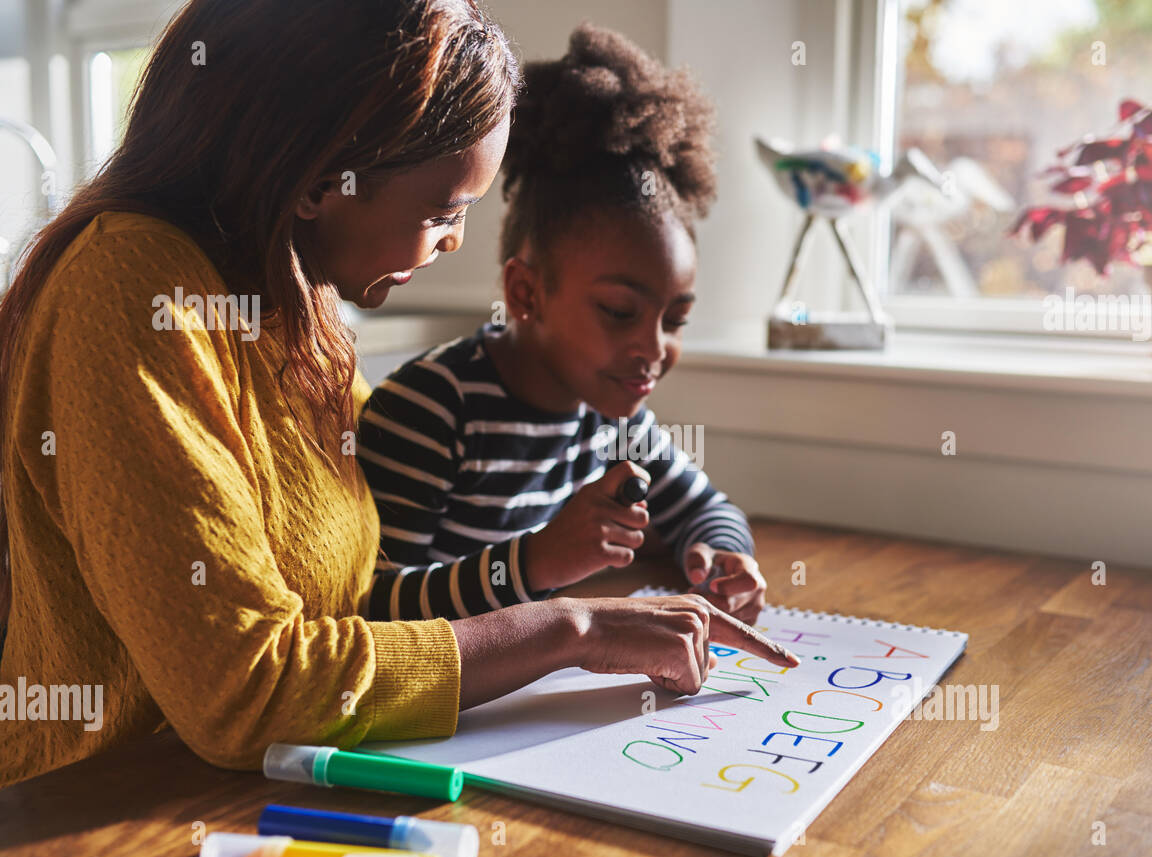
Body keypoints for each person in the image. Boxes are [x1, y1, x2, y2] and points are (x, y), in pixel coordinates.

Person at [0, 0, 795, 788]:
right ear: (318, 179)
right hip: (92, 817)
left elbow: (361, 594)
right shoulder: (129, 288)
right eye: (444, 212)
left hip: (297, 777)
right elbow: (243, 692)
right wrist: (572, 625)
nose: (453, 242)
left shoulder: (302, 301)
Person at [358, 23, 770, 626]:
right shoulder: (430, 412)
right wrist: (533, 565)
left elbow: (707, 509)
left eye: (675, 319)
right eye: (619, 313)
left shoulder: (613, 419)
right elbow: (375, 610)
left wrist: (722, 554)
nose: (653, 349)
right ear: (526, 292)